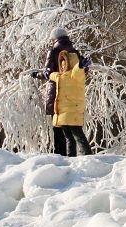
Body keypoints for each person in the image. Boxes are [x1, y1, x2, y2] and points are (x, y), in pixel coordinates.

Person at [35, 27, 92, 156]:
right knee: (69, 131)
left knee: (61, 129)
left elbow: (47, 73)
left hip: (56, 93)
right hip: (72, 95)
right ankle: (70, 157)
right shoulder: (75, 53)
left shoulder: (54, 52)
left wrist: (38, 74)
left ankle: (61, 157)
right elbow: (80, 71)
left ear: (54, 39)